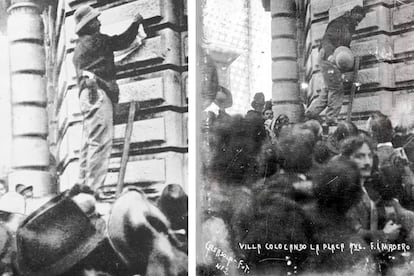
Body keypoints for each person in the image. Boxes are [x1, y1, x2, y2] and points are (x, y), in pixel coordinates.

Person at [72, 5, 144, 190]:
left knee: (89, 143)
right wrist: (135, 23)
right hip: (97, 91)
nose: (99, 22)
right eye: (95, 20)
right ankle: (93, 191)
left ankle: (82, 188)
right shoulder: (97, 41)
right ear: (88, 26)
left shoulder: (80, 47)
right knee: (100, 143)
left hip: (87, 94)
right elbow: (122, 41)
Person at [305, 5, 366, 125]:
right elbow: (327, 40)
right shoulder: (338, 23)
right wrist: (330, 55)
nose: (357, 23)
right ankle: (331, 118)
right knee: (336, 88)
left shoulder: (348, 26)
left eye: (359, 20)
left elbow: (344, 47)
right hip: (328, 57)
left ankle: (310, 113)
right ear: (351, 14)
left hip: (332, 58)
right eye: (357, 19)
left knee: (328, 89)